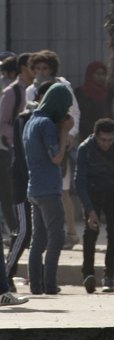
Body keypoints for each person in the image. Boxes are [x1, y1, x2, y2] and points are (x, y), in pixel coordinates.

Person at [26, 50, 81, 249]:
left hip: (62, 140)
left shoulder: (62, 86)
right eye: (37, 68)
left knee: (64, 190)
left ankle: (71, 233)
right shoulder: (31, 91)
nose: (41, 72)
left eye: (45, 68)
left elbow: (74, 111)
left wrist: (71, 134)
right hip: (42, 146)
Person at [23, 82, 74, 295]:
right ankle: (49, 284)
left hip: (34, 187)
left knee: (39, 239)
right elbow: (56, 157)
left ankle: (36, 285)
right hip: (48, 189)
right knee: (56, 236)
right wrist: (64, 132)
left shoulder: (32, 120)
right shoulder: (47, 125)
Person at [4, 80, 52, 293]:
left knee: (41, 233)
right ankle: (6, 275)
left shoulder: (53, 121)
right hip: (25, 182)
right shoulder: (24, 119)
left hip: (42, 184)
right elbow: (22, 157)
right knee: (23, 231)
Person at [75, 118, 114, 293]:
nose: (106, 144)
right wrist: (89, 210)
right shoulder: (85, 148)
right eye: (103, 140)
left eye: (110, 140)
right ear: (95, 136)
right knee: (91, 231)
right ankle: (88, 274)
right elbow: (79, 182)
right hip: (92, 192)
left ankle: (109, 276)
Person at [0, 53, 31, 245]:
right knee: (9, 193)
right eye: (32, 66)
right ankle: (15, 233)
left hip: (29, 150)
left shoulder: (34, 91)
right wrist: (18, 137)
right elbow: (2, 122)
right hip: (9, 149)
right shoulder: (12, 92)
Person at [74, 61, 114, 142]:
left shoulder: (110, 92)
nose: (101, 77)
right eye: (97, 74)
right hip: (86, 134)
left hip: (107, 135)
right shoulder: (80, 92)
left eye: (103, 74)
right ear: (90, 74)